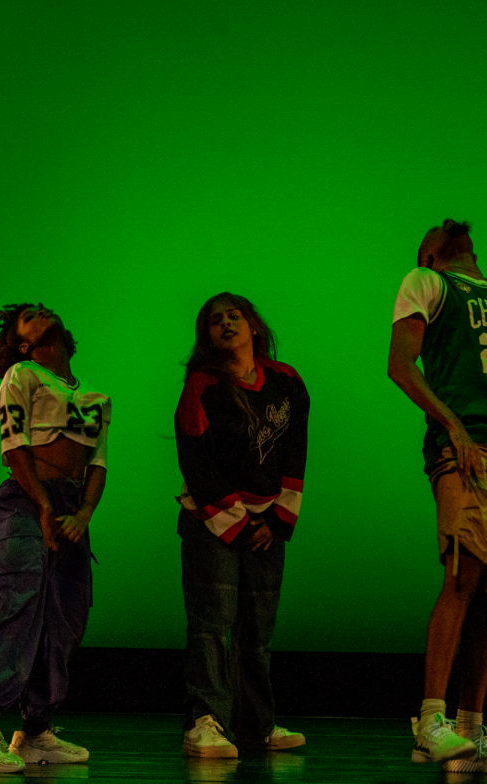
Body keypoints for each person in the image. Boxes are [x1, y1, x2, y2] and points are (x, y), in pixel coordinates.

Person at [387, 220, 487, 775]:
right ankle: (429, 723)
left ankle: (471, 732)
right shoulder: (427, 282)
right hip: (465, 446)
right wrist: (451, 423)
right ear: (429, 255)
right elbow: (400, 365)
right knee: (464, 569)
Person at [0, 303, 110, 773]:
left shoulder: (94, 398)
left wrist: (82, 513)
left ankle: (36, 730)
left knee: (64, 619)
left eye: (42, 309)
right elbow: (15, 445)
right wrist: (43, 506)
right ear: (22, 343)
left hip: (69, 512)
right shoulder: (22, 374)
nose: (40, 311)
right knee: (16, 607)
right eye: (28, 317)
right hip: (25, 502)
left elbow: (97, 464)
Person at [174, 293, 310, 759]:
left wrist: (275, 520)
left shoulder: (287, 382)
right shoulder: (203, 385)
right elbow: (196, 459)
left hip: (267, 525)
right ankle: (205, 722)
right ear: (206, 335)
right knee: (212, 624)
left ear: (253, 326)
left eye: (235, 316)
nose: (227, 324)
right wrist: (236, 522)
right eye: (216, 320)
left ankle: (257, 725)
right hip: (212, 522)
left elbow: (295, 454)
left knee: (258, 630)